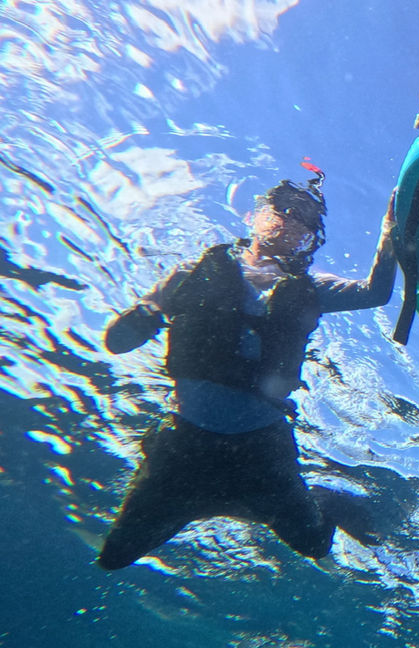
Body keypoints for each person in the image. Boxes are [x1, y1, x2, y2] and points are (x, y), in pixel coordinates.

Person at [96, 172, 399, 570]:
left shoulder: (312, 288)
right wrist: (149, 311)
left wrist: (391, 230)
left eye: (303, 218)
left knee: (314, 544)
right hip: (183, 442)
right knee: (115, 556)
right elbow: (117, 342)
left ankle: (324, 499)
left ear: (310, 239)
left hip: (262, 448)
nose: (289, 219)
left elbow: (374, 292)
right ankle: (229, 504)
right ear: (253, 215)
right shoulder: (193, 273)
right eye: (282, 208)